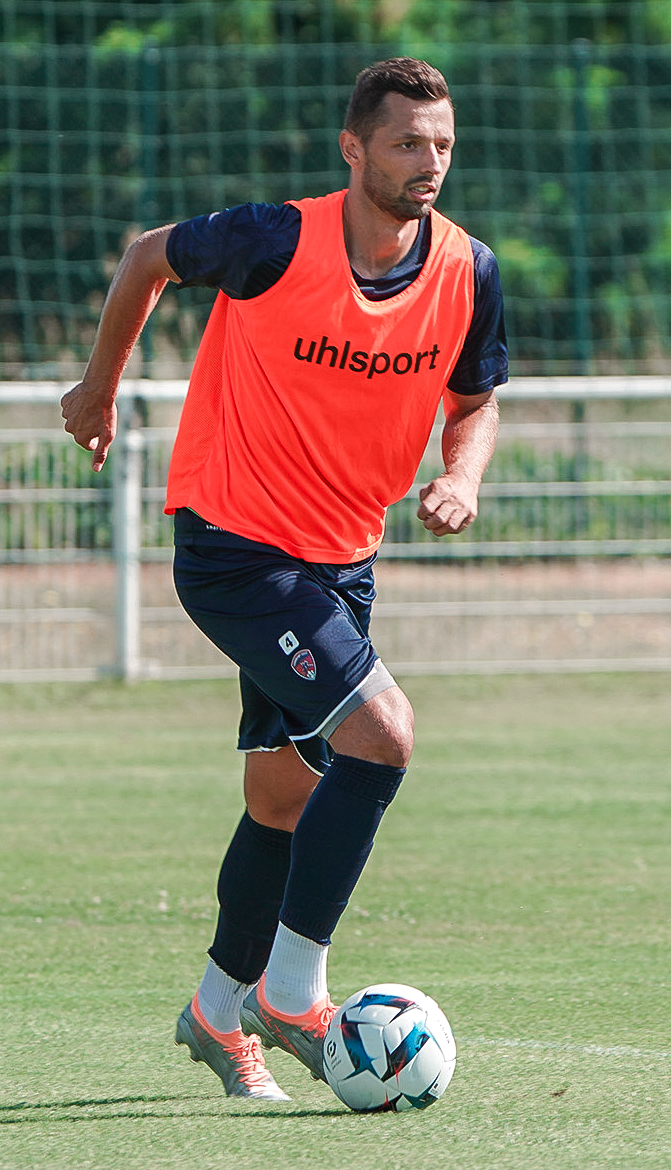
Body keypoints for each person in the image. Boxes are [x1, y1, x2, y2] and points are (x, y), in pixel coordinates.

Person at [60, 56, 507, 1101]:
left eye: (441, 143)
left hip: (341, 562)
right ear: (353, 150)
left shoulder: (469, 270)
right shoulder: (275, 238)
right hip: (234, 548)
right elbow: (146, 258)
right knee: (383, 734)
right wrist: (99, 384)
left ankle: (217, 1013)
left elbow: (475, 398)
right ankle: (293, 990)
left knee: (284, 795)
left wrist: (461, 476)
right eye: (405, 142)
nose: (427, 162)